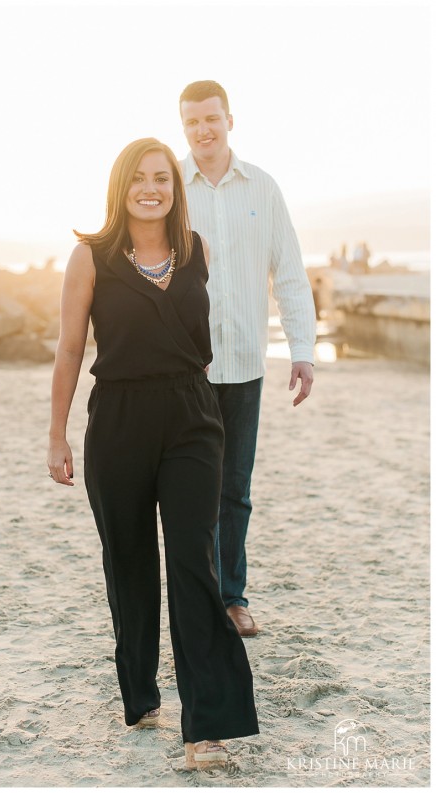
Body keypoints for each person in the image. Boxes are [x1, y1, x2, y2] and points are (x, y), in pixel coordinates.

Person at [47, 138, 259, 768]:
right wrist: (55, 433)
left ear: (176, 187)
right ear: (121, 186)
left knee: (195, 560)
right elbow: (68, 349)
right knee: (130, 562)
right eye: (139, 178)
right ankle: (140, 695)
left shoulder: (197, 250)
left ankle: (206, 728)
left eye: (162, 178)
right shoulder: (90, 257)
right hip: (118, 417)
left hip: (193, 414)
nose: (152, 187)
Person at [179, 81, 316, 637]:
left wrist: (302, 350)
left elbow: (288, 272)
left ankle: (233, 597)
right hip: (186, 370)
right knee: (189, 492)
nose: (203, 130)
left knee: (234, 489)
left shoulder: (263, 186)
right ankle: (198, 597)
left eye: (211, 119)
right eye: (192, 123)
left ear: (229, 120)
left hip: (245, 368)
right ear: (183, 126)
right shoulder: (171, 189)